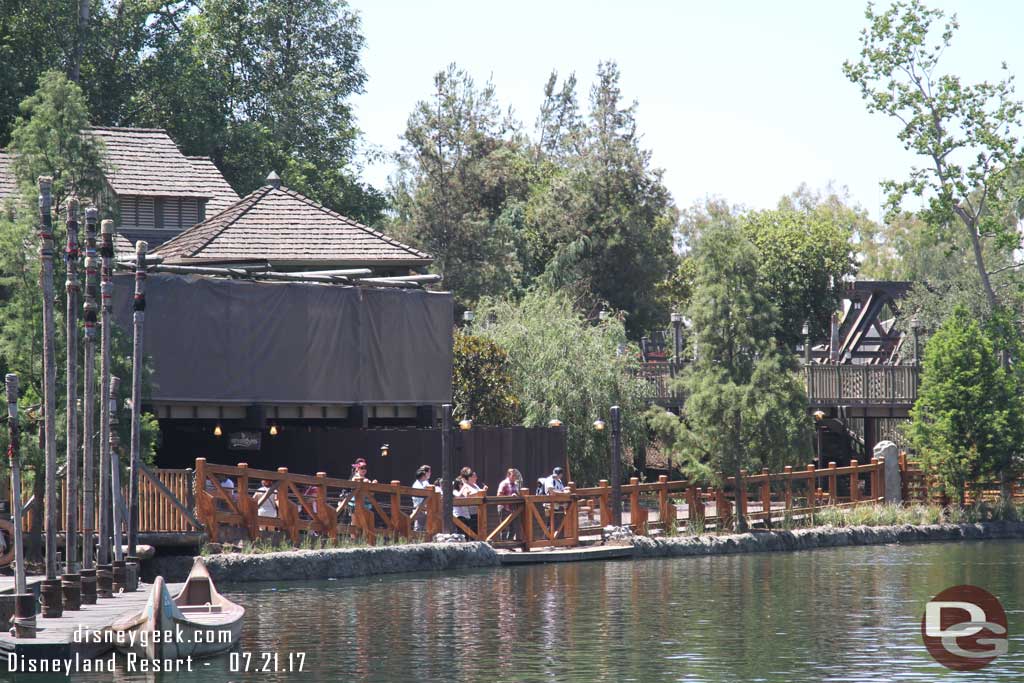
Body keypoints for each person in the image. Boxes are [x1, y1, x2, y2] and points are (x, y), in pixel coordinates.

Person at [453, 467, 486, 535]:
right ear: (468, 478)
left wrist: (483, 491)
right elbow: (467, 496)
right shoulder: (465, 486)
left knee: (479, 531)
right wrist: (479, 493)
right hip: (471, 513)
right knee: (473, 532)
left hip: (479, 511)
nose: (476, 478)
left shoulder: (475, 485)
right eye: (473, 476)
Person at [496, 468, 523, 541]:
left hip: (513, 508)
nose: (515, 477)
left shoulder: (515, 484)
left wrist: (516, 495)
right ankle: (504, 545)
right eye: (513, 475)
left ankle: (509, 544)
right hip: (504, 507)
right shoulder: (503, 483)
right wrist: (510, 497)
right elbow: (499, 495)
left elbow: (518, 493)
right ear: (508, 475)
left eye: (515, 475)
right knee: (504, 527)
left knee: (513, 528)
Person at [411, 465, 432, 532]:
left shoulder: (424, 483)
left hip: (424, 508)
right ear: (423, 476)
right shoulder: (417, 485)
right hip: (419, 507)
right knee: (418, 527)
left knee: (424, 527)